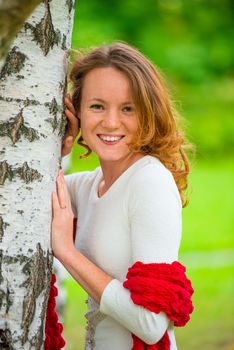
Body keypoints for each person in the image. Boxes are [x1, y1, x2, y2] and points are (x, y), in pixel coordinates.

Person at [51, 42, 193, 350]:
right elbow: (34, 191)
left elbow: (152, 325)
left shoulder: (149, 183)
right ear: (77, 111)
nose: (111, 122)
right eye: (97, 106)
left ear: (147, 113)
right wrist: (57, 148)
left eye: (128, 108)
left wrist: (67, 252)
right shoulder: (90, 186)